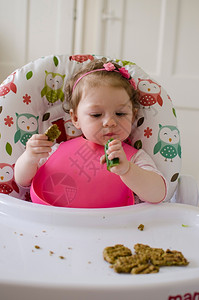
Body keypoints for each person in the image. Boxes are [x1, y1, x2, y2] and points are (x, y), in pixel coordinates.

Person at [14, 58, 167, 208]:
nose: (110, 122)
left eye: (120, 114)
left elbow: (158, 194)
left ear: (133, 116)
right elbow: (22, 181)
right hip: (55, 223)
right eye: (96, 115)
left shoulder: (134, 159)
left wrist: (127, 170)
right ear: (75, 118)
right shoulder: (56, 151)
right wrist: (30, 157)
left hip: (114, 227)